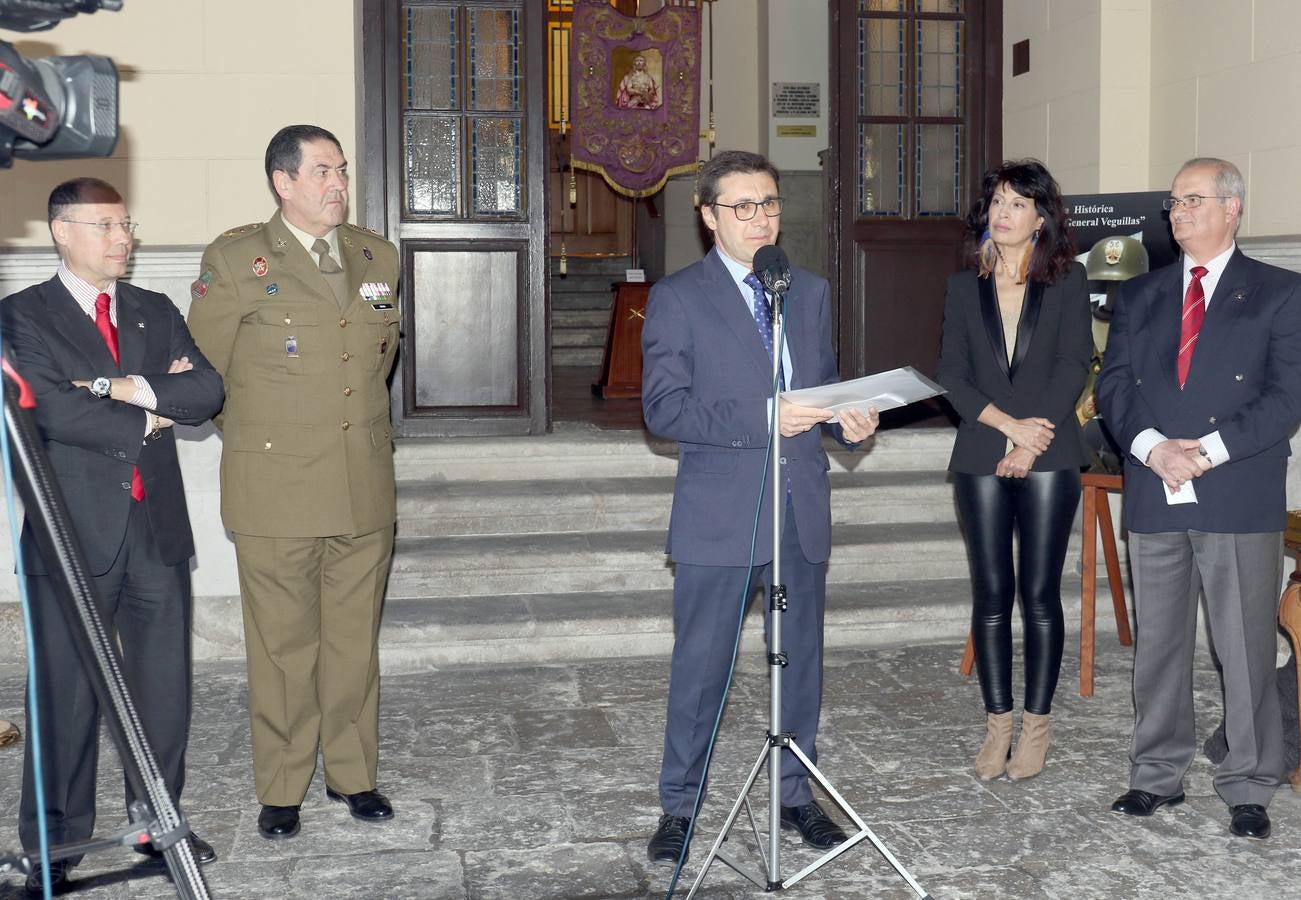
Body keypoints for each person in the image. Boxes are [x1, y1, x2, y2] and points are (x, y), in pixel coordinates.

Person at [641, 150, 877, 865]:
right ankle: (680, 807)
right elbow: (663, 408)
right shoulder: (678, 296)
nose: (759, 218)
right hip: (720, 514)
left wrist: (847, 421)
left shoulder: (804, 290)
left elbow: (822, 387)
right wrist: (762, 415)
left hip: (798, 506)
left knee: (798, 663)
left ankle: (795, 796)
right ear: (707, 216)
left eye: (768, 203)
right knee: (702, 669)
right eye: (741, 206)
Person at [3, 177, 224, 894]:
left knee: (163, 693)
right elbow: (51, 415)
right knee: (65, 697)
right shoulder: (19, 317)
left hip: (156, 527)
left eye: (124, 224)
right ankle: (52, 849)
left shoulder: (155, 310)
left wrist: (108, 386)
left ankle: (155, 825)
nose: (122, 238)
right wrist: (151, 397)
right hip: (70, 534)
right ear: (61, 232)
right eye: (103, 226)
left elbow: (208, 392)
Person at [187, 125, 401, 841]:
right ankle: (282, 786)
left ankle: (353, 775)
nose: (337, 183)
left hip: (362, 484)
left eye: (341, 170)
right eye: (321, 172)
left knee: (352, 643)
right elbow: (203, 380)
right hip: (275, 486)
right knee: (283, 648)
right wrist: (267, 444)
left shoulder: (378, 256)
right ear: (283, 182)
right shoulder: (238, 258)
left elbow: (377, 360)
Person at [1097, 157, 1301, 839]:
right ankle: (1155, 775)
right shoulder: (1139, 295)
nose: (1176, 213)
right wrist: (1154, 448)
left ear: (1231, 207)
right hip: (1156, 487)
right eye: (1172, 203)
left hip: (1235, 486)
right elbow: (1114, 388)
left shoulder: (1280, 291)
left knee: (1241, 646)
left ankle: (1248, 783)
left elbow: (1286, 398)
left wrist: (1205, 452)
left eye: (1191, 200)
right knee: (1157, 643)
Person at [935, 160, 1092, 782]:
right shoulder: (960, 286)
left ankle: (1036, 726)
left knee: (1040, 595)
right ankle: (997, 724)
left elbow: (1072, 363)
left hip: (1050, 450)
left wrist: (1032, 442)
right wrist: (1006, 428)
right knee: (993, 594)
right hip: (981, 448)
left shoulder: (1068, 281)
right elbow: (951, 373)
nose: (1004, 213)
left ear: (1041, 220)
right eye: (998, 201)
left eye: (1019, 204)